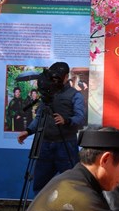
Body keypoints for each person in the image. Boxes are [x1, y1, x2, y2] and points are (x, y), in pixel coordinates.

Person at [18, 61, 86, 193]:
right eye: (52, 78)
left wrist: (66, 120)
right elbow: (39, 117)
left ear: (66, 77)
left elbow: (80, 118)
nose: (54, 81)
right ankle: (39, 210)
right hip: (45, 145)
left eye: (58, 78)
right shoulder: (48, 94)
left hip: (66, 144)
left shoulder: (75, 95)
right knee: (40, 184)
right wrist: (28, 131)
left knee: (72, 183)